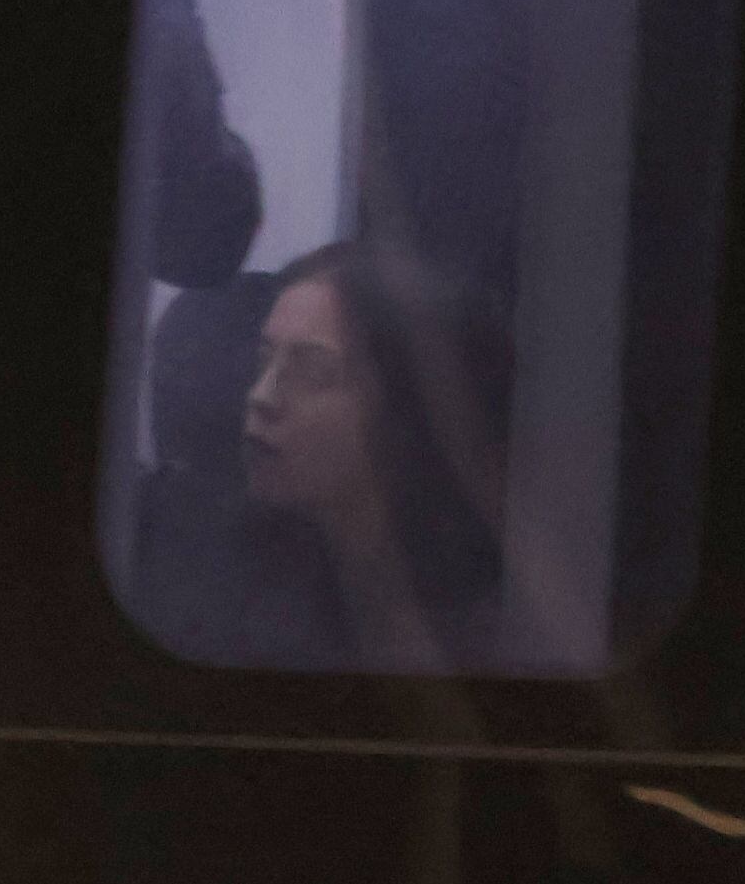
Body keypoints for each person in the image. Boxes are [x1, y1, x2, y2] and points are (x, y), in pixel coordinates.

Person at [156, 240, 508, 673]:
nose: (261, 395)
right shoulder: (209, 579)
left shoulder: (494, 631)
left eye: (314, 372)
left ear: (407, 410)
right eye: (263, 360)